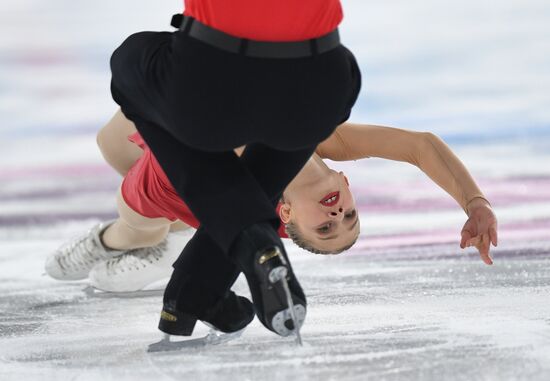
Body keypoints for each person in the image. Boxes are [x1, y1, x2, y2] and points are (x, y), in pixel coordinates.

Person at [107, 1, 362, 339]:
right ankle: (194, 292)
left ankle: (249, 241)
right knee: (322, 90)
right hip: (319, 87)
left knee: (130, 60)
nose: (339, 212)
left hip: (210, 92)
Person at [46, 110, 498, 293]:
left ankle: (106, 241)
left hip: (174, 181)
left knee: (136, 226)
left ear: (284, 214)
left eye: (326, 227)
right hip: (181, 121)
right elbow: (420, 146)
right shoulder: (328, 140)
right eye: (350, 216)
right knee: (110, 146)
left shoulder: (253, 203)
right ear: (346, 180)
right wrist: (474, 202)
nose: (338, 214)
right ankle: (166, 240)